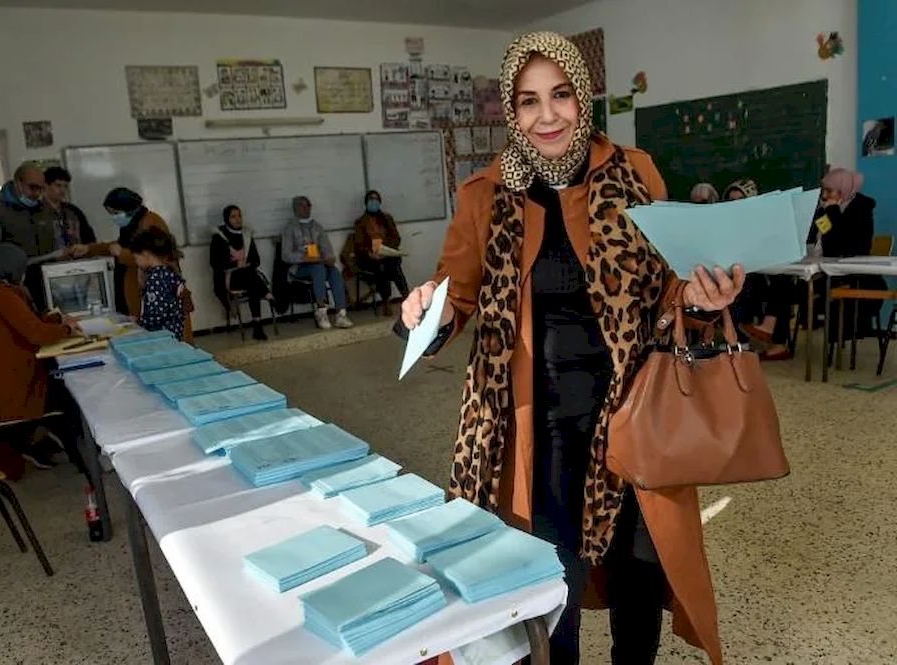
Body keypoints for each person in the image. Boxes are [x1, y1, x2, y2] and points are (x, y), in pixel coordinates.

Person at [400, 32, 743, 665]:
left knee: (640, 576)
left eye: (560, 94)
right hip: (542, 422)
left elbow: (671, 282)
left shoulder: (635, 174)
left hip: (638, 413)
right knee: (552, 582)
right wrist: (430, 306)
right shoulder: (485, 195)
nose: (548, 114)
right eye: (529, 101)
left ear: (583, 98)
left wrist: (701, 296)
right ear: (511, 109)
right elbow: (459, 292)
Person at [0, 242, 80, 472]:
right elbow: (35, 334)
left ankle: (35, 441)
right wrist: (66, 329)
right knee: (68, 394)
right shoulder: (2, 295)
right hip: (8, 395)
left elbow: (22, 327)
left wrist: (54, 323)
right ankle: (71, 451)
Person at [743, 168, 877, 359]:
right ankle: (776, 338)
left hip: (845, 277)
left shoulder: (861, 210)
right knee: (782, 282)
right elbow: (816, 237)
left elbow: (842, 247)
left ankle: (773, 332)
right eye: (825, 191)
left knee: (785, 286)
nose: (825, 195)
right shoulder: (826, 209)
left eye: (830, 191)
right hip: (819, 271)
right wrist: (824, 212)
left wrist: (831, 211)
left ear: (843, 189)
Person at [68, 187, 192, 340]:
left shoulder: (150, 224)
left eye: (115, 213)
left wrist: (123, 253)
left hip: (167, 337)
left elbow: (156, 315)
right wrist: (90, 249)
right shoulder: (132, 224)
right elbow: (122, 246)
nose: (114, 218)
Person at [0, 161, 56, 310]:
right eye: (32, 187)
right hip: (16, 290)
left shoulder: (46, 210)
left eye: (41, 189)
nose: (37, 194)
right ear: (18, 183)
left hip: (50, 283)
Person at [281, 195, 353, 330]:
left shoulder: (317, 227)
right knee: (318, 269)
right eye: (301, 206)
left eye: (308, 205)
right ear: (295, 209)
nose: (305, 208)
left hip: (319, 263)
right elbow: (286, 255)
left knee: (334, 271)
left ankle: (341, 314)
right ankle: (321, 311)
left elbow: (327, 248)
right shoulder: (289, 228)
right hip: (300, 268)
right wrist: (304, 258)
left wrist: (329, 258)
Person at [209, 204, 273, 340]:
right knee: (251, 277)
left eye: (239, 216)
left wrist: (248, 263)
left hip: (248, 276)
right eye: (233, 217)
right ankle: (267, 295)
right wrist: (236, 264)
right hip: (230, 277)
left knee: (251, 281)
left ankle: (257, 326)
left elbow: (256, 259)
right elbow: (215, 263)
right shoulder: (218, 237)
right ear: (227, 219)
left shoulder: (246, 235)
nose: (237, 219)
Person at [352, 190, 410, 316]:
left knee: (393, 265)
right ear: (366, 203)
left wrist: (386, 249)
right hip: (369, 258)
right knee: (381, 267)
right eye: (371, 200)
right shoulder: (360, 222)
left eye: (376, 200)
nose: (374, 202)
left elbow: (396, 238)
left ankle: (407, 297)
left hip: (387, 254)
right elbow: (359, 244)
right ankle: (386, 301)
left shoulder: (387, 218)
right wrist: (370, 253)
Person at [130, 227, 191, 341]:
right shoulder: (168, 271)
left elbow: (157, 313)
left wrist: (140, 323)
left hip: (162, 336)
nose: (135, 262)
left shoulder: (155, 278)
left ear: (145, 254)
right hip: (174, 332)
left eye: (135, 258)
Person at [42, 166, 97, 250]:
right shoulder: (36, 212)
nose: (63, 190)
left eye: (65, 186)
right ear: (46, 186)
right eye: (58, 185)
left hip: (77, 259)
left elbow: (89, 239)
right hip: (50, 261)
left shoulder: (73, 211)